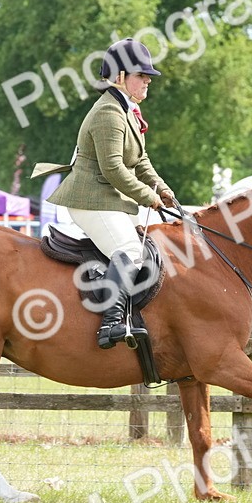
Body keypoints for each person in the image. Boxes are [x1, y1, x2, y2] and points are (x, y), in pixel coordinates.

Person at [41, 38, 176, 349]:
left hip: (109, 201)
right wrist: (148, 197)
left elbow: (140, 161)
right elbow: (113, 168)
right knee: (130, 249)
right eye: (141, 75)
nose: (147, 81)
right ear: (119, 77)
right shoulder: (108, 113)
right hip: (91, 200)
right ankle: (111, 323)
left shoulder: (126, 110)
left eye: (147, 77)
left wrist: (164, 191)